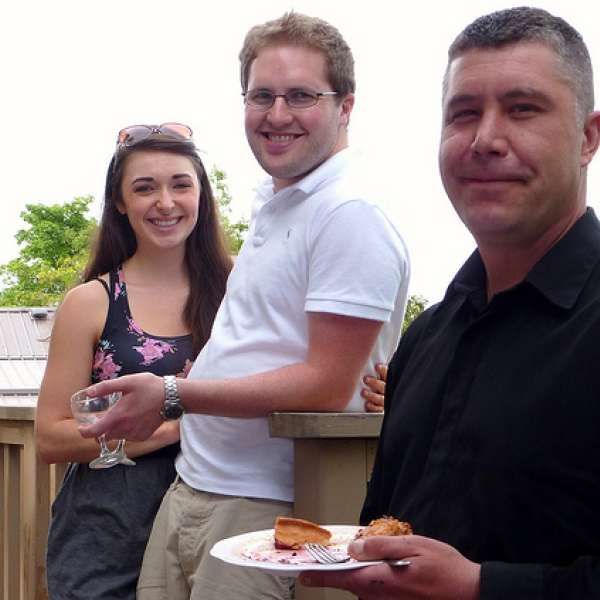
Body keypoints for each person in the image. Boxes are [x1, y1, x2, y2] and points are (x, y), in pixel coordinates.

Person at [81, 11, 410, 600]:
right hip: (193, 489)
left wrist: (173, 394)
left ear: (347, 105)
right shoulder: (283, 203)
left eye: (301, 95)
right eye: (262, 95)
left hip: (269, 509)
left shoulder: (350, 212)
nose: (277, 115)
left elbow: (327, 385)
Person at [299, 6, 600, 599]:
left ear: (588, 137)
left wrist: (479, 588)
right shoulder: (426, 337)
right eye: (464, 114)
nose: (486, 139)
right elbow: (383, 520)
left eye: (523, 109)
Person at [34, 124, 233, 599]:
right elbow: (50, 435)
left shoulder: (241, 292)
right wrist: (175, 427)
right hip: (105, 539)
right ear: (120, 203)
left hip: (218, 528)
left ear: (201, 194)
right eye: (145, 188)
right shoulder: (91, 302)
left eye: (181, 184)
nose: (165, 202)